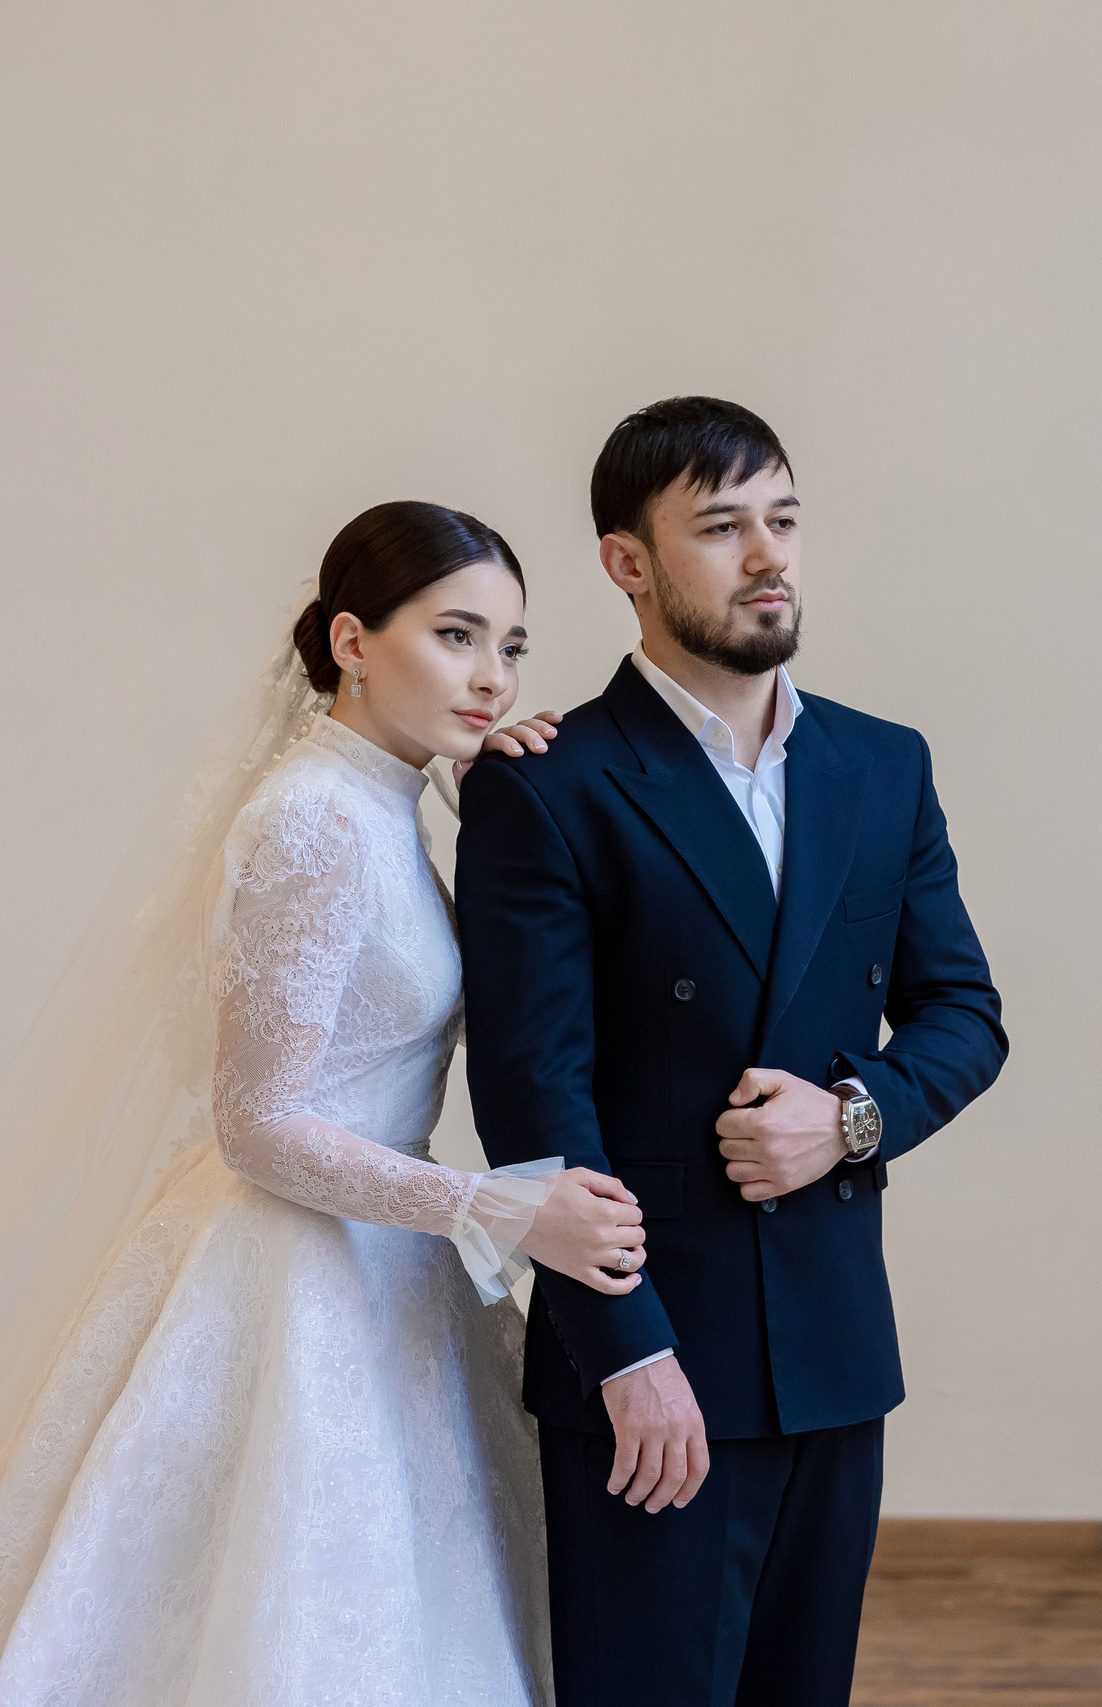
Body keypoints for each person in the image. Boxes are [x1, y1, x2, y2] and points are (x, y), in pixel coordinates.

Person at [0, 502, 642, 1705]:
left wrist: (467, 779)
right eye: (455, 636)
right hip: (287, 1266)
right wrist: (505, 1210)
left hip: (373, 1257)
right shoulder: (314, 823)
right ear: (352, 640)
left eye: (510, 645)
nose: (492, 676)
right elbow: (258, 1126)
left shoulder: (381, 803)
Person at [457, 396, 1007, 1707]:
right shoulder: (549, 783)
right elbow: (539, 1097)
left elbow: (965, 1013)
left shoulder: (881, 765)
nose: (767, 554)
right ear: (627, 563)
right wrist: (630, 1353)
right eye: (720, 525)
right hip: (654, 1358)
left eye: (783, 518)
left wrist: (851, 1114)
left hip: (835, 1346)